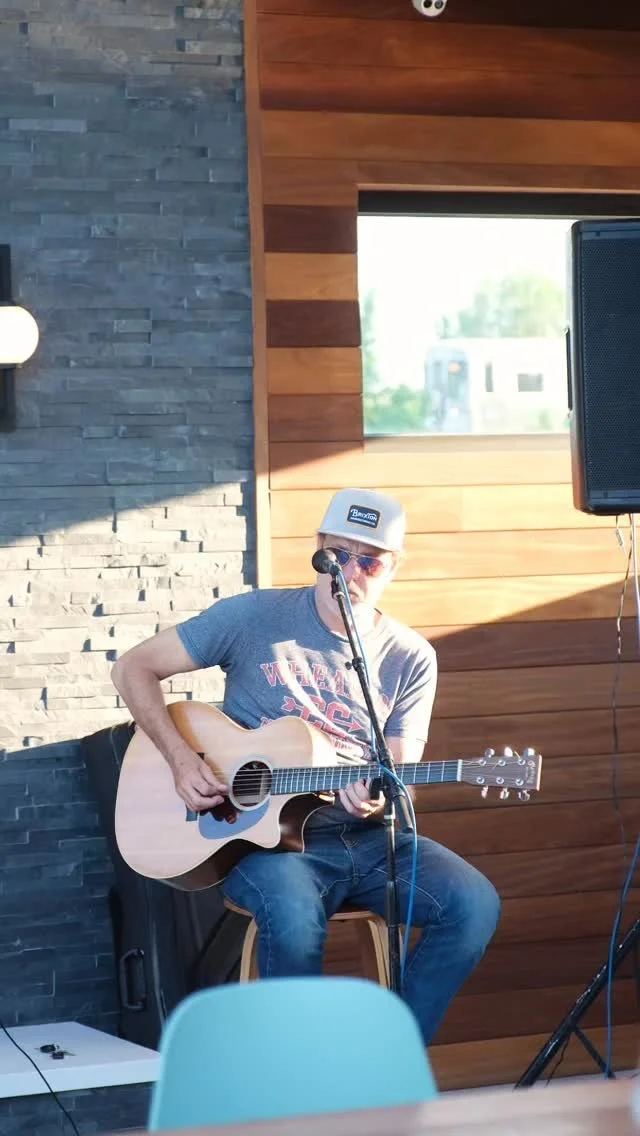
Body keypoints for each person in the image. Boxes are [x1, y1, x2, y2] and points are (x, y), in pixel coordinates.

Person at [111, 488, 500, 1045]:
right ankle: (295, 1077)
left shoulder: (410, 657)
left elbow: (398, 771)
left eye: (369, 562)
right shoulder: (254, 617)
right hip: (260, 841)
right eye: (337, 556)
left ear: (394, 567)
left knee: (474, 905)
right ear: (318, 549)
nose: (349, 573)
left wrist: (378, 795)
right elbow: (133, 668)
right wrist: (179, 759)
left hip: (367, 840)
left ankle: (388, 1057)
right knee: (293, 920)